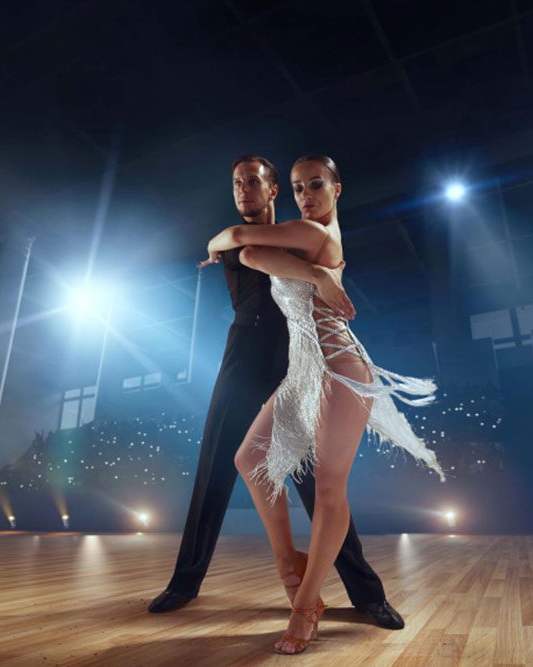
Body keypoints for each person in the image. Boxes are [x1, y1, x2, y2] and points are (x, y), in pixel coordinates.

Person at [149, 155, 407, 633]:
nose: (243, 190)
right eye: (236, 183)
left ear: (272, 192)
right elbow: (243, 248)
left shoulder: (302, 232)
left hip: (299, 357)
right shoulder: (247, 238)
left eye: (253, 182)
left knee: (315, 478)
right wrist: (312, 273)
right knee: (220, 464)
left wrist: (316, 272)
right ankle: (186, 583)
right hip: (245, 355)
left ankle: (364, 593)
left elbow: (263, 249)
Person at [203, 154, 445, 655]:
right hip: (305, 371)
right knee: (249, 459)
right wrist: (317, 278)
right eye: (296, 188)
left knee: (330, 486)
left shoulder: (319, 237)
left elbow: (239, 243)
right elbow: (249, 256)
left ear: (338, 188)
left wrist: (305, 269)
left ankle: (305, 605)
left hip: (339, 367)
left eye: (316, 185)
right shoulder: (304, 242)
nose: (306, 195)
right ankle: (289, 563)